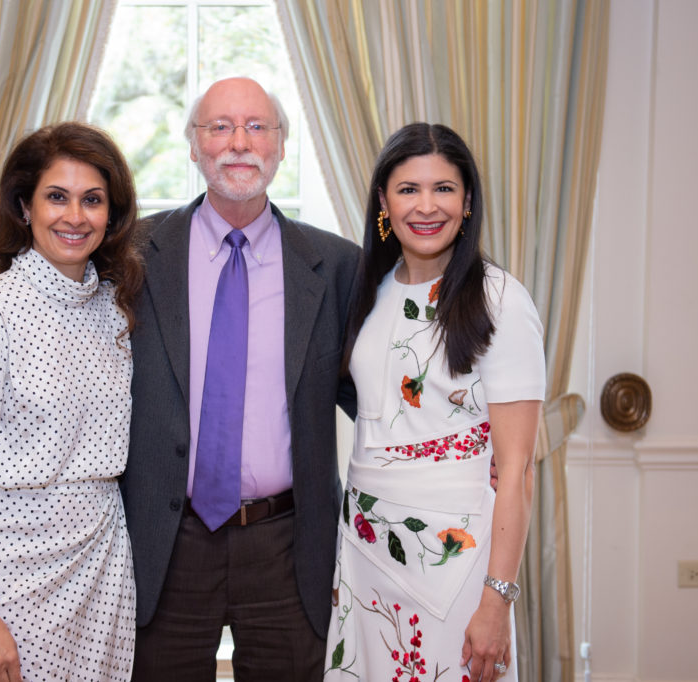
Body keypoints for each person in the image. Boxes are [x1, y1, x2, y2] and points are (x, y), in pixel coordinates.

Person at [121, 77, 362, 680]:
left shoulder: (336, 265)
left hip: (287, 544)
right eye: (219, 127)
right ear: (194, 146)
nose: (238, 143)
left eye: (257, 127)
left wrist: (466, 451)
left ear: (281, 146)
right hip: (168, 542)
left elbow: (377, 397)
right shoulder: (131, 254)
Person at [0, 122, 143, 682]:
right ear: (24, 206)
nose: (75, 216)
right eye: (56, 197)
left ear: (111, 214)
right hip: (15, 583)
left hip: (106, 570)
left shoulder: (115, 312)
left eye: (92, 200)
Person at [324, 123, 544, 682]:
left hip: (459, 565)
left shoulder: (500, 300)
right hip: (365, 551)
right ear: (383, 200)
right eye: (408, 189)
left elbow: (517, 468)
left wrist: (497, 601)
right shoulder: (366, 291)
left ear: (467, 201)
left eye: (444, 188)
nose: (426, 206)